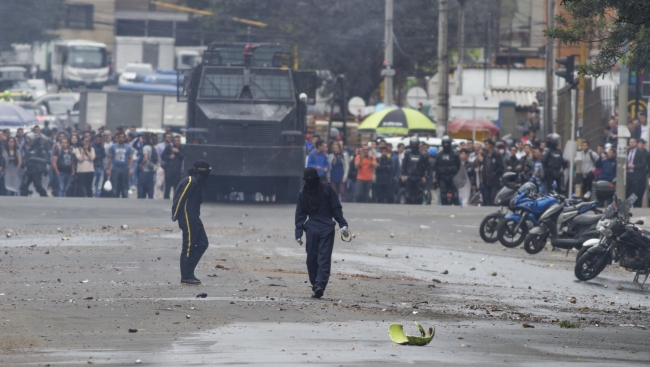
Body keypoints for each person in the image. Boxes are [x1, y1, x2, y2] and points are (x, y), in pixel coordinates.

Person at [294, 167, 349, 299]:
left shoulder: (326, 189)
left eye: (310, 178)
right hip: (312, 227)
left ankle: (320, 285)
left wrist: (342, 224)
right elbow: (300, 214)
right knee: (311, 259)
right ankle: (316, 285)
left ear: (316, 177)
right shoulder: (303, 193)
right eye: (306, 179)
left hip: (326, 227)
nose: (309, 181)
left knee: (323, 258)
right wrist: (298, 231)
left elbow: (336, 207)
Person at [171, 160, 212, 285]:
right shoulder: (190, 181)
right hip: (188, 218)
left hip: (194, 218)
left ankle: (190, 272)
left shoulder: (196, 181)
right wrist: (175, 214)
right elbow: (180, 199)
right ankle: (186, 276)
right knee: (188, 246)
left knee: (203, 244)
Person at [401, 137, 429, 204]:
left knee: (418, 197)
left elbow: (427, 167)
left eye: (415, 144)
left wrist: (425, 176)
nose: (414, 146)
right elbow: (404, 165)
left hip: (419, 177)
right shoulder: (407, 153)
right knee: (408, 197)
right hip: (409, 176)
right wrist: (402, 174)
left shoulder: (423, 155)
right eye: (412, 144)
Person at [434, 136, 461, 205]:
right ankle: (445, 209)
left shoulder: (455, 154)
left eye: (447, 143)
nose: (446, 145)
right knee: (443, 196)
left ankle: (457, 209)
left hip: (453, 177)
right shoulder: (439, 155)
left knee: (455, 196)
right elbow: (435, 167)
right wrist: (435, 177)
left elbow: (459, 166)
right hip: (442, 178)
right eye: (444, 143)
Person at [478, 139, 504, 205]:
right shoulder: (485, 155)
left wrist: (494, 173)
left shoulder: (496, 154)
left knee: (493, 196)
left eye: (486, 144)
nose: (485, 146)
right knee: (487, 197)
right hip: (486, 179)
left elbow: (501, 167)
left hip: (494, 180)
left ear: (490, 145)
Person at [107, 132, 134, 198]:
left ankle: (124, 196)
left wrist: (131, 168)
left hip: (125, 168)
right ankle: (115, 196)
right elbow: (110, 158)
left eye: (123, 137)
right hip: (115, 168)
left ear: (125, 138)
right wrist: (109, 168)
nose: (121, 138)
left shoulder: (128, 147)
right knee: (115, 184)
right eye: (120, 137)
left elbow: (130, 158)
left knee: (124, 184)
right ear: (117, 138)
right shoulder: (113, 146)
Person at [626, 137, 647, 207]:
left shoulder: (641, 152)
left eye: (633, 142)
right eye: (630, 142)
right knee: (627, 192)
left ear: (636, 143)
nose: (631, 144)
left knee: (636, 193)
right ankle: (627, 205)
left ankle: (634, 206)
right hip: (628, 175)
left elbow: (643, 164)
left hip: (636, 176)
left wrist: (633, 166)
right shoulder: (627, 151)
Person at [137, 133, 156, 199]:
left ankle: (141, 198)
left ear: (145, 139)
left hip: (145, 170)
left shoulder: (145, 147)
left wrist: (141, 165)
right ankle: (150, 197)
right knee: (150, 187)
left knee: (141, 186)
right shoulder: (152, 146)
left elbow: (145, 158)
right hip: (152, 169)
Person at [155, 133, 171, 199]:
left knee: (167, 184)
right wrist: (158, 165)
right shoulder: (159, 146)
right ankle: (155, 196)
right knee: (159, 183)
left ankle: (165, 196)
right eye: (167, 137)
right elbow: (157, 156)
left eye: (170, 137)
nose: (169, 138)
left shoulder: (172, 146)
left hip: (169, 167)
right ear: (164, 138)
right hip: (161, 166)